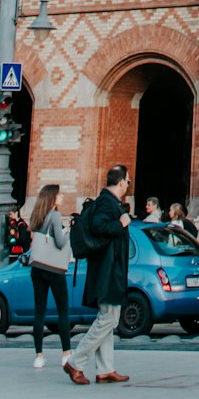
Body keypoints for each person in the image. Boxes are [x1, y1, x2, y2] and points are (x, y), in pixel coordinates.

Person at [64, 164, 132, 386]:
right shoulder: (106, 202)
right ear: (121, 182)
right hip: (108, 270)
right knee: (109, 318)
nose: (128, 186)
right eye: (128, 181)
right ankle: (75, 362)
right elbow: (99, 225)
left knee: (107, 318)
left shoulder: (109, 201)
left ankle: (105, 369)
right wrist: (120, 223)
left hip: (108, 269)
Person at [28, 184, 72, 370]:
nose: (62, 197)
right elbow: (60, 243)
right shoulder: (54, 215)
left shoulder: (37, 215)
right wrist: (68, 231)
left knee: (39, 312)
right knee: (63, 311)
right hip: (54, 268)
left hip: (37, 267)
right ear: (52, 197)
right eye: (59, 194)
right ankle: (66, 354)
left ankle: (39, 356)